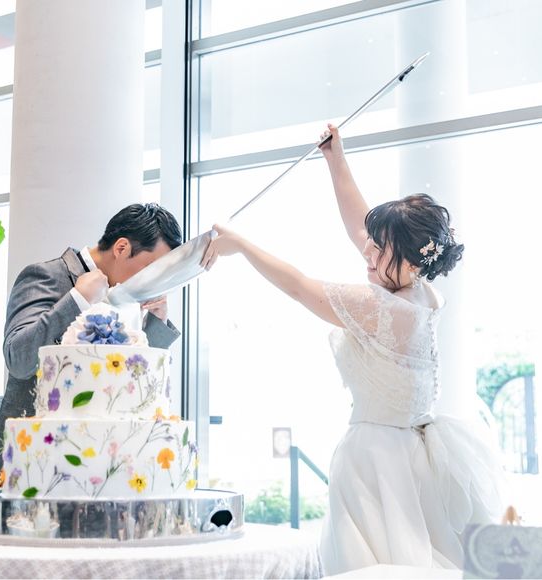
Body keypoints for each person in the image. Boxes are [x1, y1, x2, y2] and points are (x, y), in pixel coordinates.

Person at [202, 125, 507, 573]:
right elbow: (360, 227)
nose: (368, 252)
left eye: (379, 249)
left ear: (412, 260)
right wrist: (336, 159)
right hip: (408, 457)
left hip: (375, 462)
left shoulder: (382, 308)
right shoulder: (422, 293)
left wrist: (242, 245)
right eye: (372, 243)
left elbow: (300, 287)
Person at [0, 203, 182, 487]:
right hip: (23, 466)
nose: (153, 281)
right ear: (122, 248)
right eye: (151, 268)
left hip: (96, 471)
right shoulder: (45, 275)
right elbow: (19, 360)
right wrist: (76, 300)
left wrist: (156, 325)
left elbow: (130, 383)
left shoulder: (129, 297)